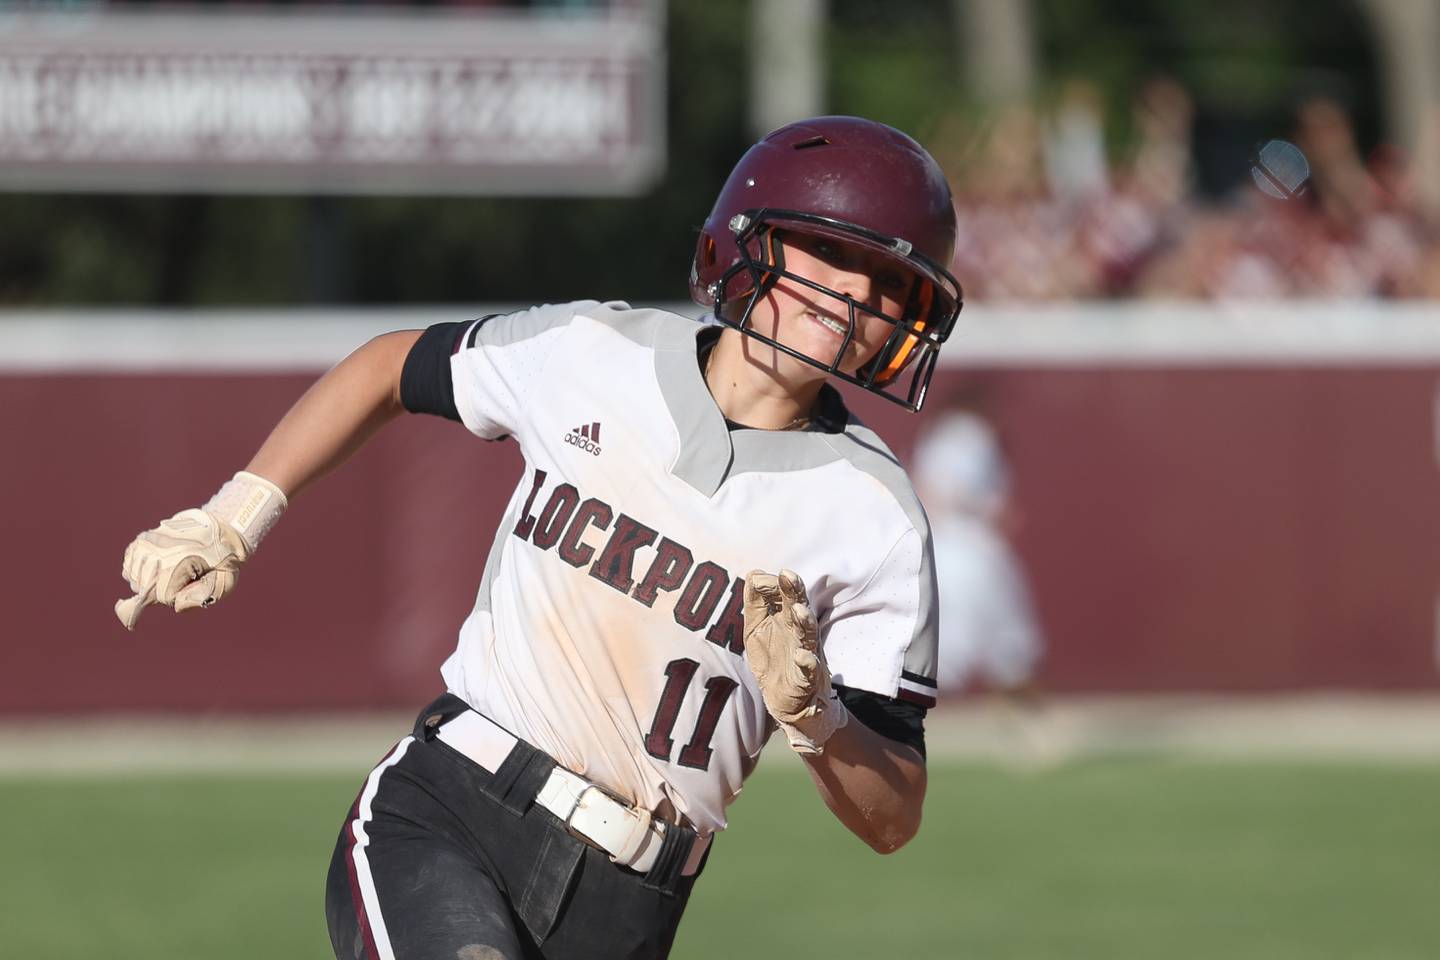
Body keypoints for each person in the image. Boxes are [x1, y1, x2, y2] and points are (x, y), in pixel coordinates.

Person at [114, 115, 963, 960]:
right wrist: (234, 515)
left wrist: (817, 719)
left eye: (892, 282)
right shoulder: (596, 352)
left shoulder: (874, 513)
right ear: (751, 240)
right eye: (834, 254)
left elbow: (894, 816)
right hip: (453, 812)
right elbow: (388, 368)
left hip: (634, 903)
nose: (857, 296)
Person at [911, 389, 1044, 700]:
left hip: (941, 550)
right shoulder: (966, 434)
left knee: (955, 644)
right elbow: (945, 489)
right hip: (969, 548)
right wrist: (990, 510)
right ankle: (1026, 712)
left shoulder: (937, 436)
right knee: (1004, 637)